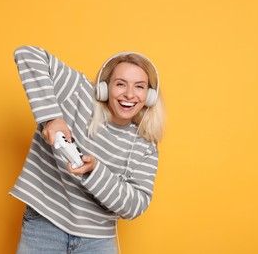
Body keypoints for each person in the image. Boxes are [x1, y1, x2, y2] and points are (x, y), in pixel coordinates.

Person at [10, 45, 165, 253]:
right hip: (43, 224)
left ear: (150, 95)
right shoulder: (78, 93)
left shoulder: (145, 145)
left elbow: (135, 205)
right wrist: (52, 118)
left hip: (97, 240)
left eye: (139, 87)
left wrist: (95, 171)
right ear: (104, 87)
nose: (129, 94)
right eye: (120, 84)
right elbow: (27, 53)